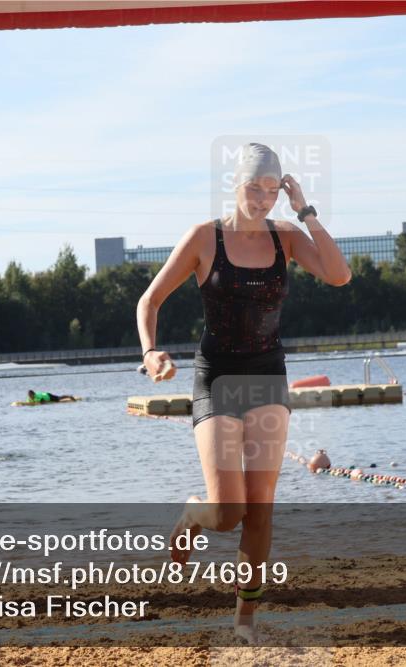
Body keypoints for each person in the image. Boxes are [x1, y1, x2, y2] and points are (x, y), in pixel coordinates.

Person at [135, 142, 351, 643]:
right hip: (217, 378)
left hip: (268, 378)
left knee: (261, 507)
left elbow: (339, 275)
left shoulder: (288, 236)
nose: (262, 198)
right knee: (228, 512)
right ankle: (194, 513)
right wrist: (150, 353)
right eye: (254, 187)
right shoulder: (203, 238)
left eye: (272, 190)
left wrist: (307, 211)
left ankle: (244, 621)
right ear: (235, 184)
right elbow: (150, 300)